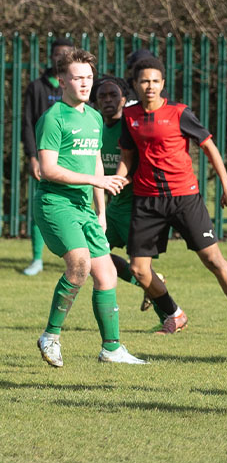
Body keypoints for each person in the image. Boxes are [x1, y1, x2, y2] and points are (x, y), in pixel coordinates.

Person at [117, 56, 227, 336]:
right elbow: (127, 157)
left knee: (213, 260)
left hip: (185, 197)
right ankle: (175, 313)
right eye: (144, 81)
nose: (149, 86)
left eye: (155, 81)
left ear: (162, 83)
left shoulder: (179, 112)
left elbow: (209, 147)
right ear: (135, 85)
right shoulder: (130, 116)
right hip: (147, 200)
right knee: (139, 270)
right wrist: (119, 178)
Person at [33, 47, 146, 366]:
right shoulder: (53, 118)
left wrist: (100, 211)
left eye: (89, 77)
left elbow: (96, 161)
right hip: (56, 203)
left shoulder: (95, 117)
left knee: (107, 274)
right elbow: (49, 169)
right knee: (79, 265)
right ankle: (50, 336)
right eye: (77, 77)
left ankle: (111, 348)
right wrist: (98, 182)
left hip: (85, 207)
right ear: (61, 81)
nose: (85, 83)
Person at [94, 75, 167, 316]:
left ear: (124, 99)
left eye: (113, 95)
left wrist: (126, 179)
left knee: (142, 268)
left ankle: (169, 315)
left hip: (136, 208)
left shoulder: (131, 127)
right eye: (102, 95)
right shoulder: (96, 130)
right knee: (93, 253)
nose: (107, 100)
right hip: (114, 208)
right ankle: (150, 287)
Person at [20, 37, 75, 276]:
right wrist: (32, 157)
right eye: (57, 54)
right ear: (51, 57)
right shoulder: (37, 87)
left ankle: (75, 256)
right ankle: (36, 259)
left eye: (65, 54)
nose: (60, 58)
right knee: (42, 204)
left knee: (76, 206)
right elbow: (28, 124)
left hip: (71, 157)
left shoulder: (75, 86)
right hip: (45, 157)